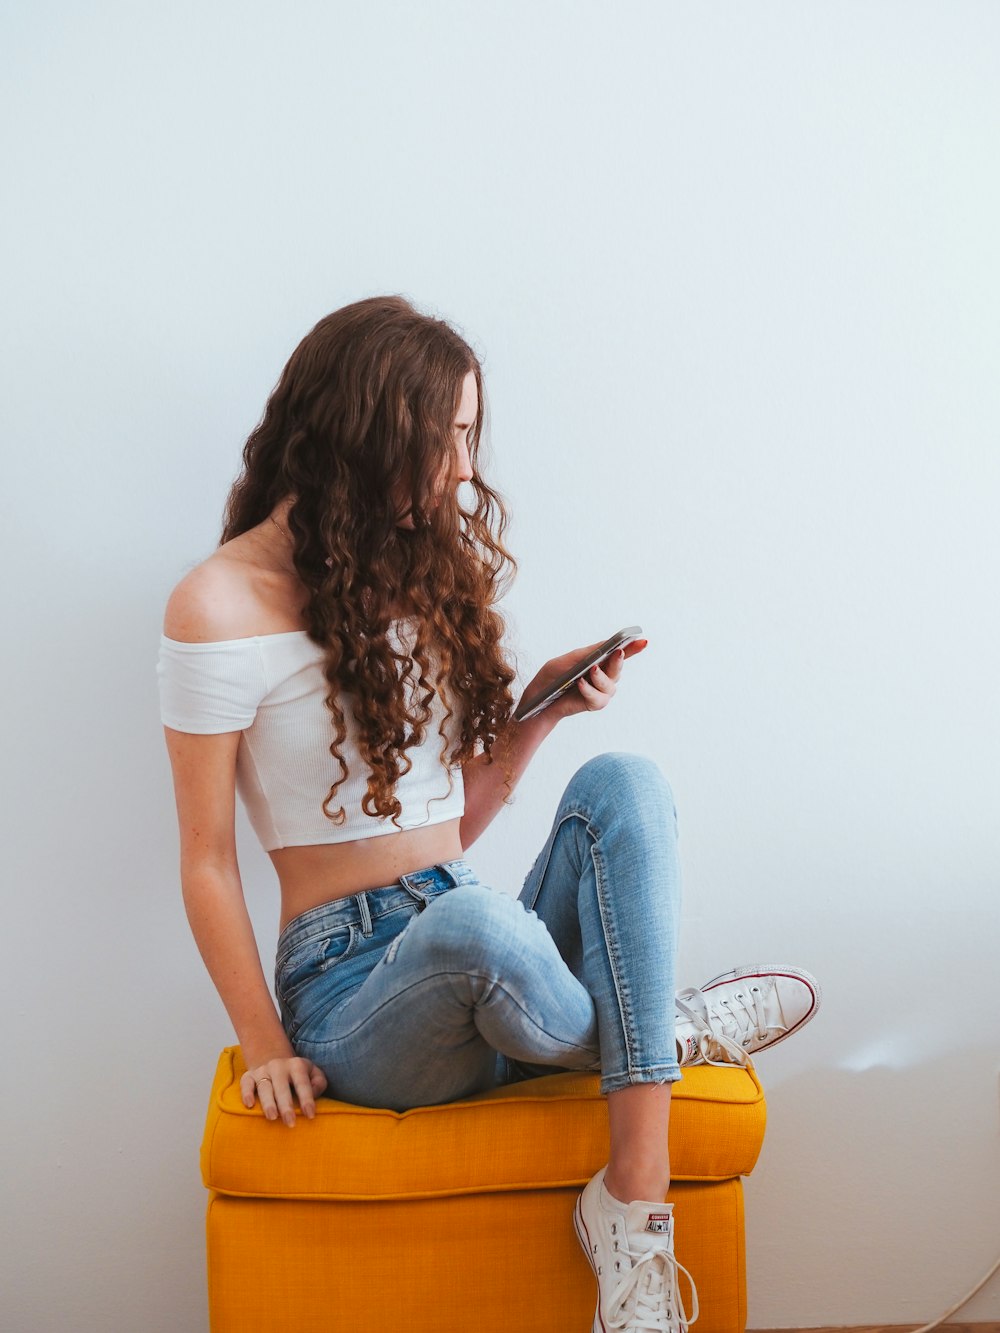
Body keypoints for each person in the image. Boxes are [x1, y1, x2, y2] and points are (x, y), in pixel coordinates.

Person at [157, 295, 819, 1333]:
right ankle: (668, 1028)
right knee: (474, 923)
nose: (467, 467)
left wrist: (536, 715)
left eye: (471, 435)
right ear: (372, 428)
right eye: (449, 435)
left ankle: (630, 1204)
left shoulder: (411, 573)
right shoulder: (216, 605)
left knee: (625, 782)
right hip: (356, 992)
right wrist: (263, 1041)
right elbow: (203, 858)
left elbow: (447, 833)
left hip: (490, 957)